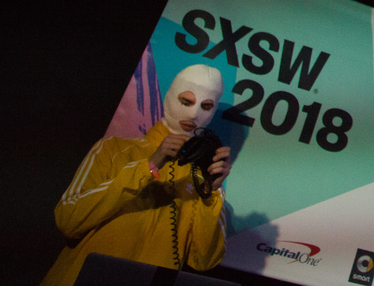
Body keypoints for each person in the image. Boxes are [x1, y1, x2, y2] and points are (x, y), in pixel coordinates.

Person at [40, 64, 234, 286]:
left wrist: (211, 192)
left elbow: (204, 261)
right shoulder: (112, 149)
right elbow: (67, 219)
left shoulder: (201, 180)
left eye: (206, 106)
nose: (194, 113)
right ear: (170, 97)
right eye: (186, 101)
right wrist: (149, 166)